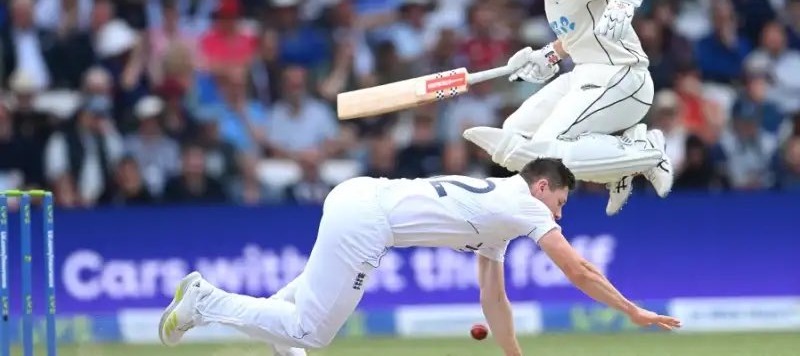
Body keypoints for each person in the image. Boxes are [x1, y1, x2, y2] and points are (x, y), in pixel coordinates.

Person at [157, 159, 680, 356]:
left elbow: (492, 298)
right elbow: (578, 269)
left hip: (357, 196)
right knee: (311, 332)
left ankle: (269, 343)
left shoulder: (501, 211)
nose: (559, 217)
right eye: (561, 204)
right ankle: (205, 301)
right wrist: (631, 309)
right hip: (370, 222)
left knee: (295, 317)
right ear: (543, 187)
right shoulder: (525, 204)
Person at [463, 0, 673, 215]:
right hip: (586, 75)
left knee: (547, 149)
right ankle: (618, 169)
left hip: (623, 78)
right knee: (515, 135)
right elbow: (576, 35)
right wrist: (546, 56)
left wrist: (625, 3)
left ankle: (646, 152)